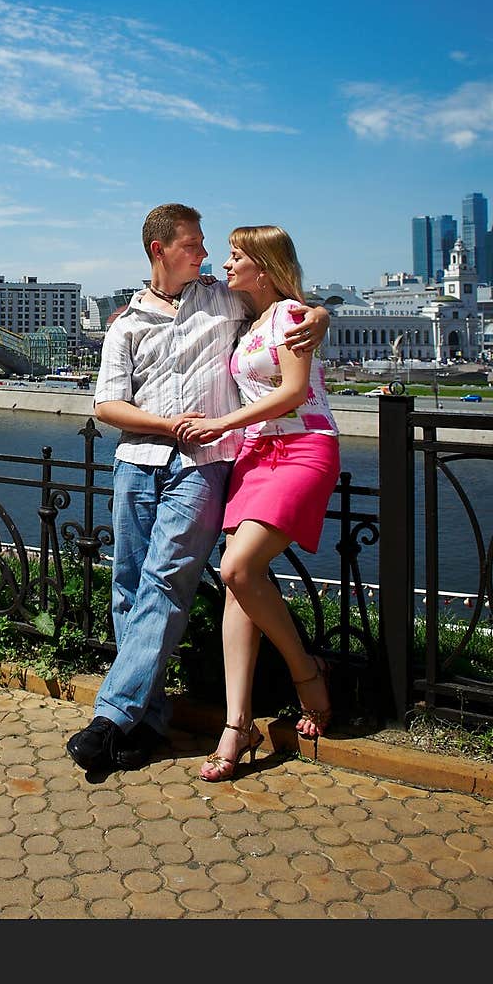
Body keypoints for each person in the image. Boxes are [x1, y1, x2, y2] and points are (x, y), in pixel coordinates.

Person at [65, 204, 329, 775]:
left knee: (166, 581)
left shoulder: (223, 299)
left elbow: (283, 299)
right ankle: (145, 725)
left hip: (205, 462)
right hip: (138, 461)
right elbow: (106, 405)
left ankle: (111, 716)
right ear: (159, 250)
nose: (205, 253)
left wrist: (323, 314)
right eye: (193, 244)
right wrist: (169, 425)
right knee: (129, 589)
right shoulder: (127, 323)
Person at [175, 225, 340, 782]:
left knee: (238, 567)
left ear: (263, 268)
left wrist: (219, 423)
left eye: (236, 257)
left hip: (302, 448)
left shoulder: (293, 315)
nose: (225, 264)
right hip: (255, 454)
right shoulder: (249, 322)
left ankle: (305, 671)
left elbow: (293, 393)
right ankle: (237, 723)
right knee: (237, 584)